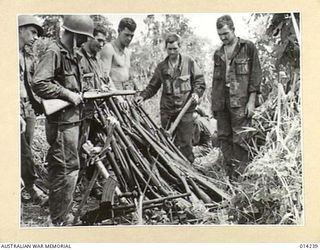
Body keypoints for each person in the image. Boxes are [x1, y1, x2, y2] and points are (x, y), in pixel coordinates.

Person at [32, 15, 94, 226]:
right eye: (83, 37)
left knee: (67, 168)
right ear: (74, 35)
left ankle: (60, 212)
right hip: (61, 123)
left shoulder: (71, 55)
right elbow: (39, 83)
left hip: (71, 121)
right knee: (65, 169)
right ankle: (59, 219)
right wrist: (67, 94)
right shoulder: (54, 52)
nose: (85, 42)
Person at [135, 33, 206, 163]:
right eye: (169, 49)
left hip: (185, 109)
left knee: (185, 144)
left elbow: (200, 82)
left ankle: (188, 169)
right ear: (166, 49)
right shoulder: (162, 67)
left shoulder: (189, 62)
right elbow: (153, 86)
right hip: (167, 111)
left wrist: (196, 93)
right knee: (167, 143)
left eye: (175, 49)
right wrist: (143, 96)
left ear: (180, 47)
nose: (172, 52)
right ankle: (172, 170)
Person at [211, 15, 262, 178]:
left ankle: (242, 177)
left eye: (226, 33)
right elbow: (215, 81)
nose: (223, 37)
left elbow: (255, 75)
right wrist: (215, 106)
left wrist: (251, 101)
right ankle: (230, 176)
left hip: (240, 101)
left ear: (233, 29)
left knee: (241, 138)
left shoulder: (248, 47)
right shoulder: (218, 53)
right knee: (224, 137)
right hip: (222, 101)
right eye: (220, 34)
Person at [19, 15, 48, 205]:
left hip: (27, 106)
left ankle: (23, 187)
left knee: (25, 148)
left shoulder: (25, 55)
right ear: (20, 29)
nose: (36, 37)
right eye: (33, 32)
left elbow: (28, 84)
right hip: (13, 106)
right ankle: (30, 187)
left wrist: (39, 105)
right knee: (22, 150)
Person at [100, 17, 137, 90]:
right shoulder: (109, 48)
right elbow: (105, 78)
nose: (129, 38)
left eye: (131, 36)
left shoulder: (128, 52)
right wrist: (118, 97)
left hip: (127, 93)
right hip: (114, 94)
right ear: (119, 31)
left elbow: (129, 77)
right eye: (126, 35)